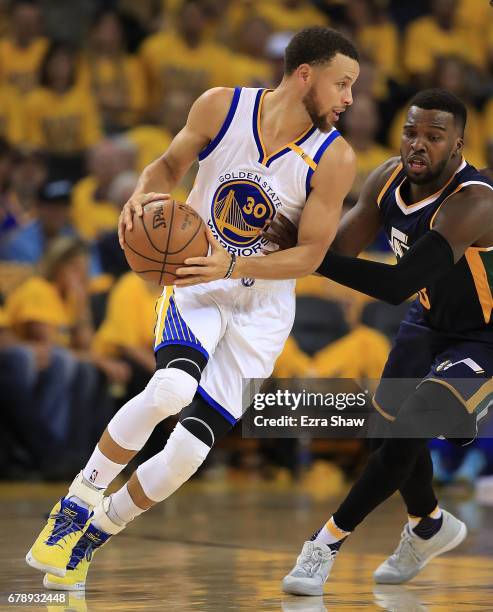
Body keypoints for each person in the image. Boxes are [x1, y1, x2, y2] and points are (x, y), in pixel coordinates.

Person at [25, 26, 359, 591]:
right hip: (195, 280)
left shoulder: (335, 157)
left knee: (186, 453)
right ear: (306, 75)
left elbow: (309, 256)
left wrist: (234, 266)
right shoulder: (222, 107)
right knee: (172, 390)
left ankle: (95, 533)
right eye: (342, 83)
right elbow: (165, 168)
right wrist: (144, 197)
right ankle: (76, 503)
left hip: (263, 307)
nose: (349, 98)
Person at [280, 89, 493, 595]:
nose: (418, 145)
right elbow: (340, 249)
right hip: (427, 322)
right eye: (410, 132)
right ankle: (429, 525)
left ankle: (324, 543)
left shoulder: (477, 202)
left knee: (408, 431)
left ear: (458, 146)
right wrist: (294, 229)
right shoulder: (386, 179)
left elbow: (394, 286)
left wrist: (304, 253)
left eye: (434, 137)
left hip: (484, 336)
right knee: (385, 438)